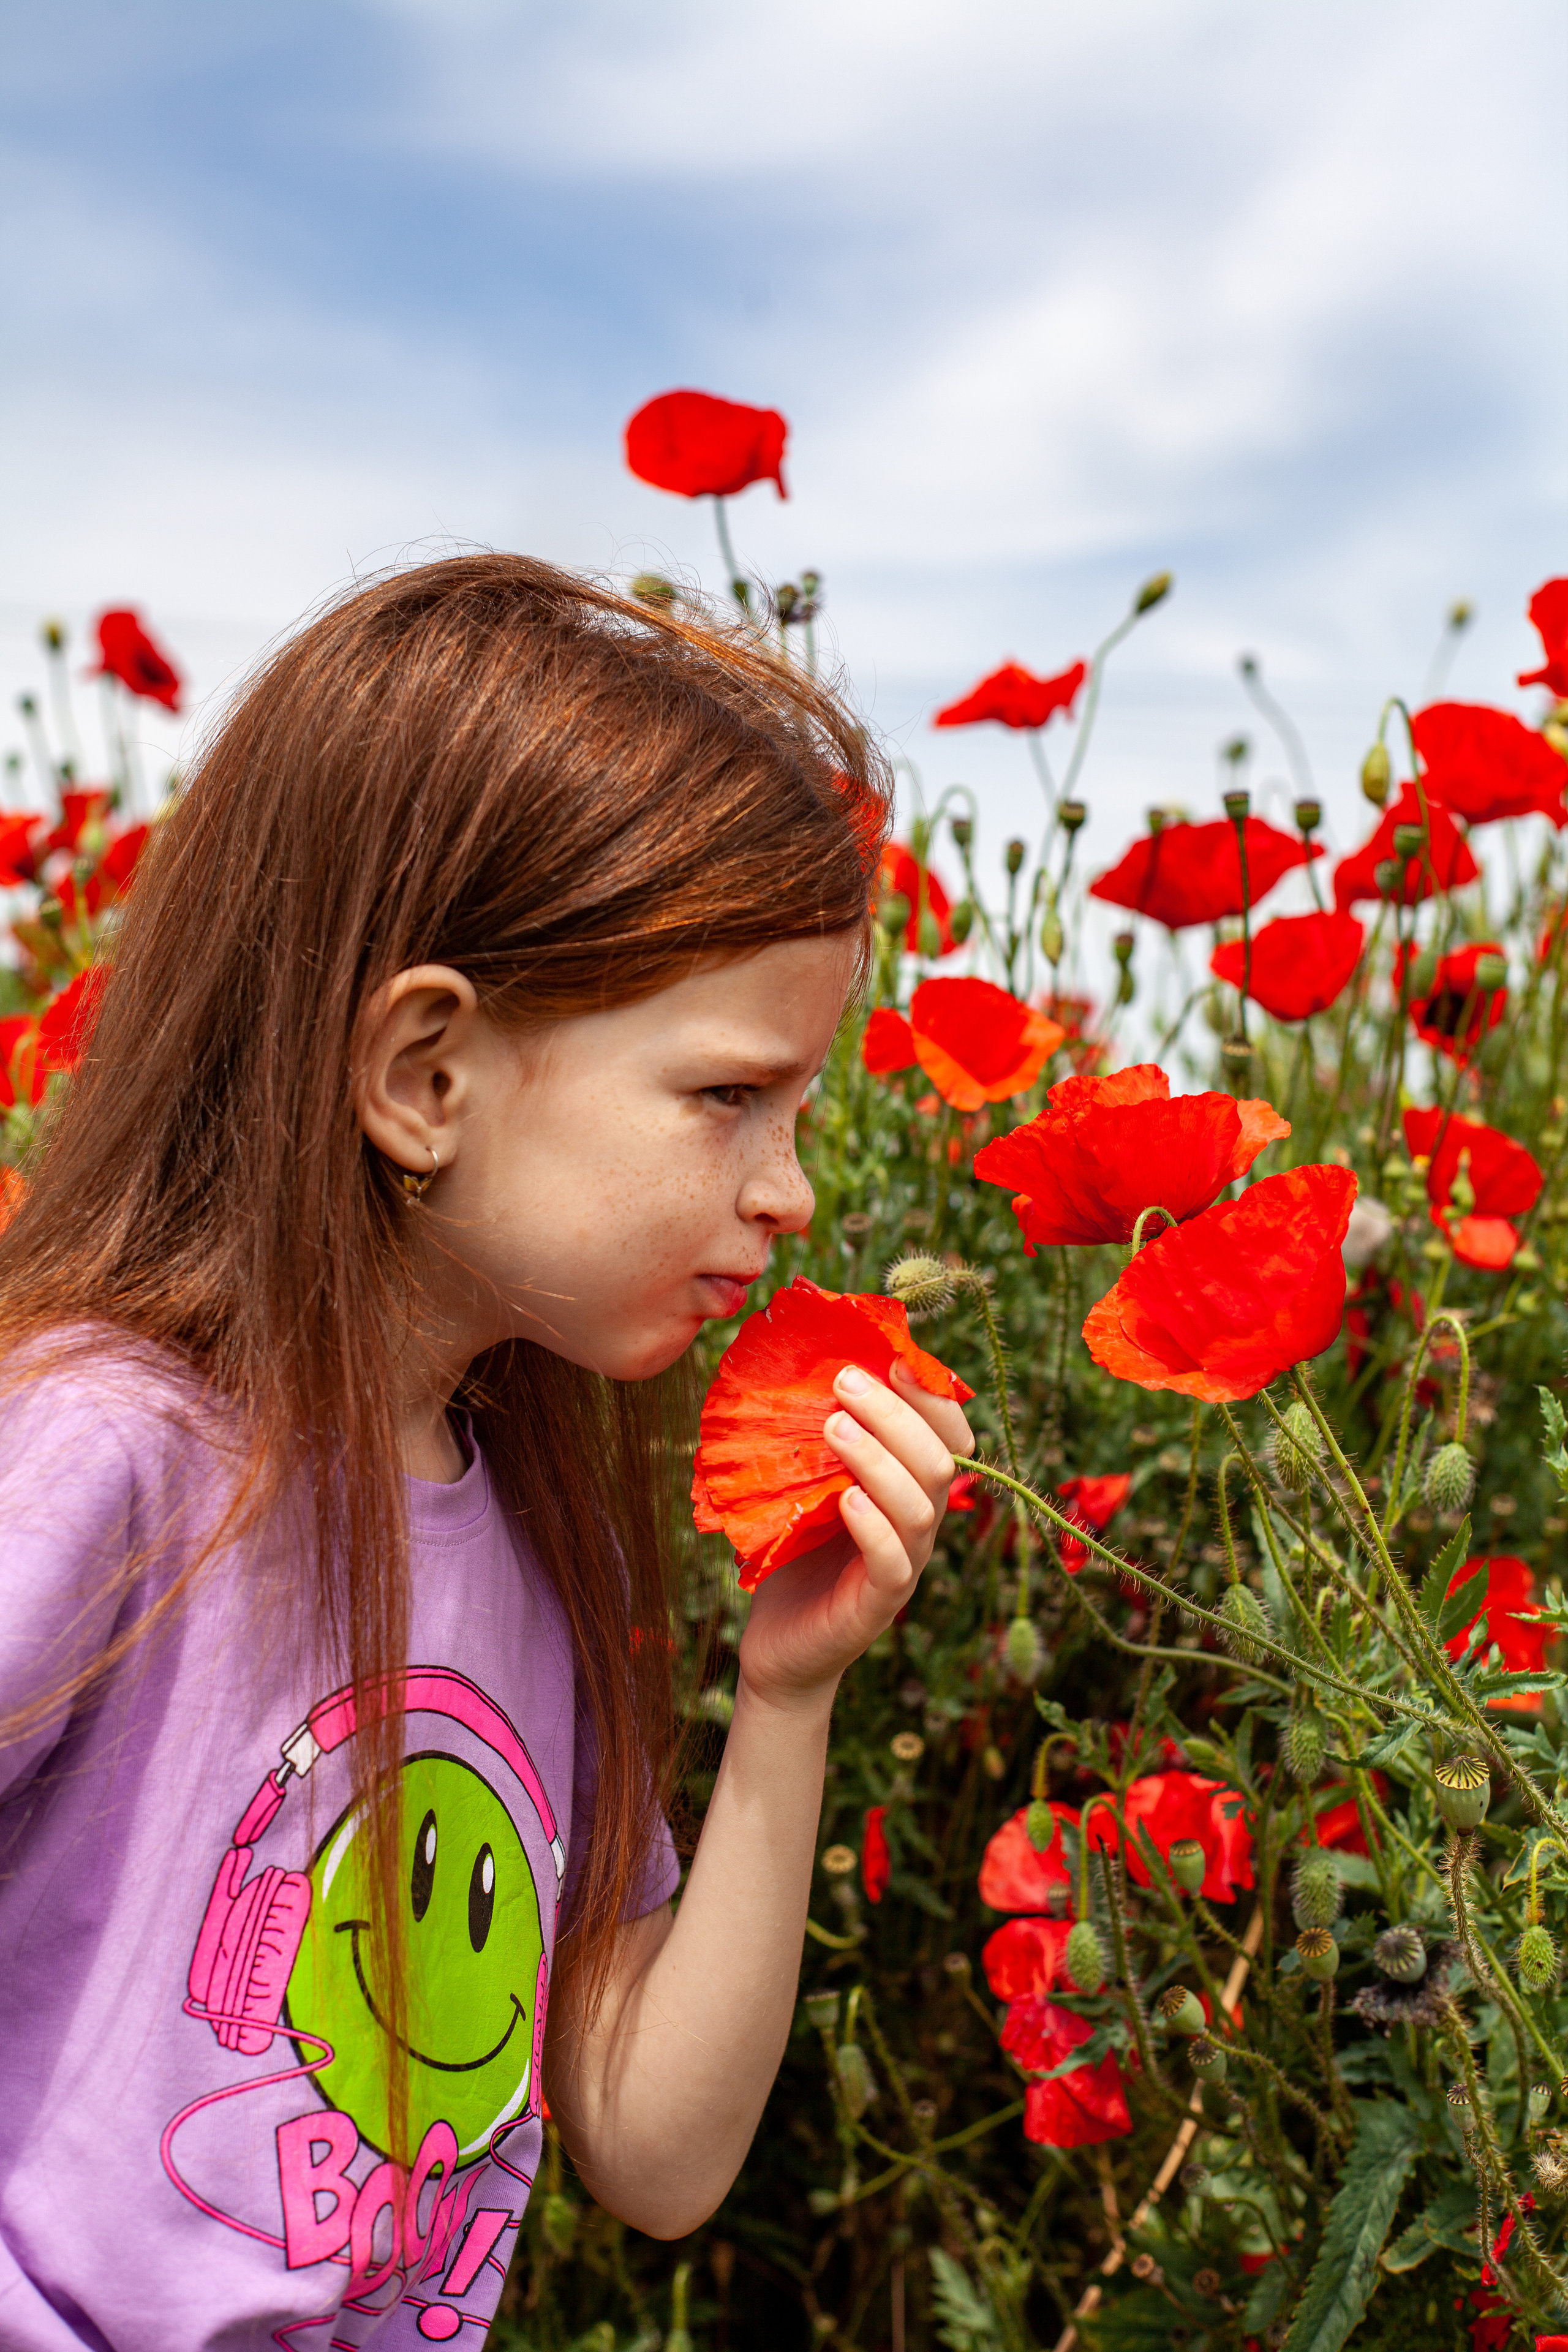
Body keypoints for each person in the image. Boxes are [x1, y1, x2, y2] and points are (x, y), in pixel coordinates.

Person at [0, 555, 973, 2349]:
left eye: (801, 1107)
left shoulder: (535, 1538)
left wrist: (786, 1707)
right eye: (725, 1095)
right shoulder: (108, 1458)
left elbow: (656, 2150)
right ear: (426, 1077)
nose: (793, 1188)